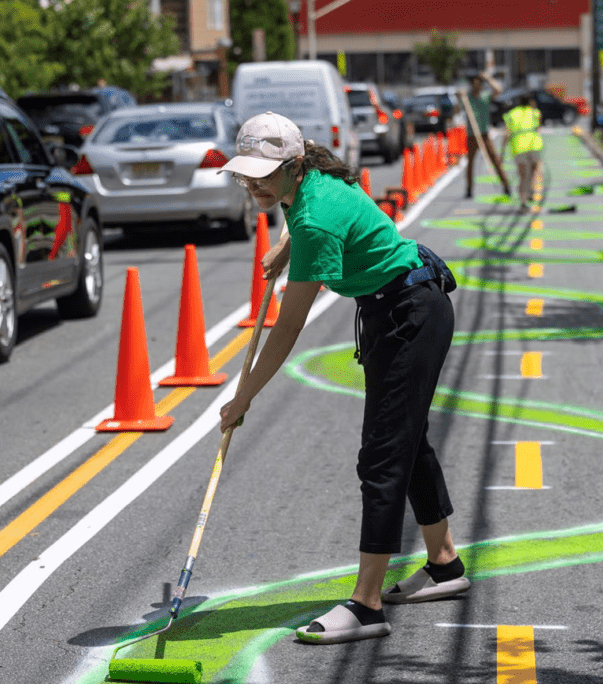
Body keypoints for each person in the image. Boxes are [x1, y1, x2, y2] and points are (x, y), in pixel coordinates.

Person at [217, 111, 470, 645]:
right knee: (406, 441)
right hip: (390, 310)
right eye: (246, 173)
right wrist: (286, 246)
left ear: (294, 164)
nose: (253, 183)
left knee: (381, 456)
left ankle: (367, 605)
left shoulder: (315, 217)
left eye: (264, 173)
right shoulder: (306, 187)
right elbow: (309, 212)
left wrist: (242, 397)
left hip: (412, 313)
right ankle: (445, 564)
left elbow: (286, 329)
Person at [462, 72, 511, 199]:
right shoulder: (467, 99)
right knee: (470, 163)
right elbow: (456, 109)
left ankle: (506, 185)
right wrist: (459, 97)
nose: (476, 87)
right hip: (472, 135)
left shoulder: (485, 97)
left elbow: (498, 90)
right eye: (474, 85)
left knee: (494, 159)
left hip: (484, 134)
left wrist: (488, 78)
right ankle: (469, 189)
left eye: (479, 84)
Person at [501, 92, 544, 210]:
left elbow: (507, 133)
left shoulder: (511, 114)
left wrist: (502, 151)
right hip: (534, 145)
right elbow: (538, 127)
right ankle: (530, 191)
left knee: (522, 175)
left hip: (518, 147)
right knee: (532, 171)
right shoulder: (535, 112)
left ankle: (523, 200)